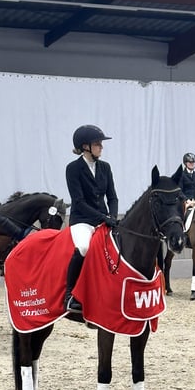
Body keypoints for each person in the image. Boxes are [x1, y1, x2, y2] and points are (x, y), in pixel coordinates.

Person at [63, 125, 119, 314]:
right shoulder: (73, 169)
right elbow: (78, 201)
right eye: (97, 144)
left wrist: (112, 216)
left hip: (104, 219)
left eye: (101, 144)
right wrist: (103, 217)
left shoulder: (105, 167)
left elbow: (112, 197)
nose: (101, 147)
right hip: (82, 220)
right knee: (84, 248)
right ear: (85, 146)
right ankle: (70, 295)